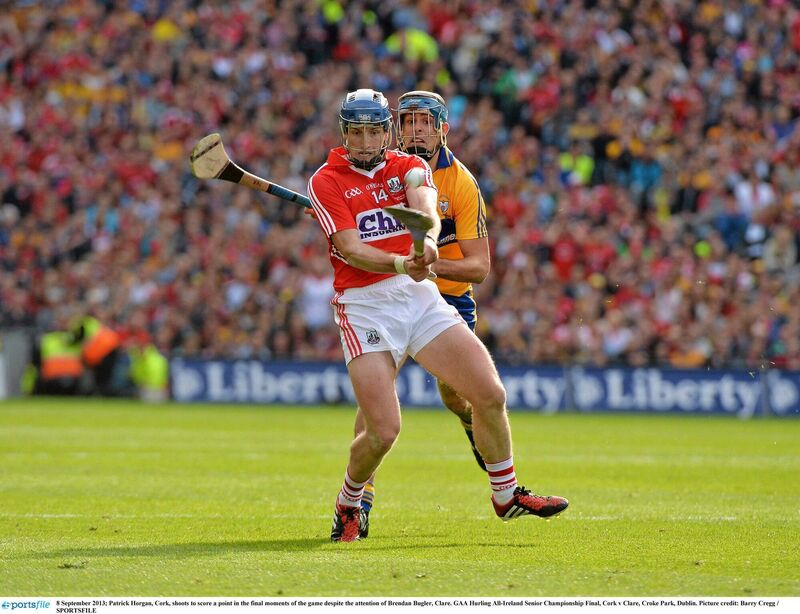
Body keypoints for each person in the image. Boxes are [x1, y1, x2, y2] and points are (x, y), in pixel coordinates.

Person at [307, 88, 568, 543]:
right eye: (356, 132)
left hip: (419, 297)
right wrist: (398, 262)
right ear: (344, 133)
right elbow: (350, 249)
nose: (365, 142)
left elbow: (425, 202)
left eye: (373, 132)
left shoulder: (409, 165)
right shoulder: (326, 180)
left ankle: (505, 495)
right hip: (364, 306)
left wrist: (427, 245)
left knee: (489, 393)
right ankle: (350, 503)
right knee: (383, 430)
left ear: (385, 132)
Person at [357, 90, 492, 521]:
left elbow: (479, 267)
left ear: (442, 130)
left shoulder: (461, 183)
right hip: (392, 294)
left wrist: (431, 268)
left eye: (424, 123)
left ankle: (469, 422)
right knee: (375, 394)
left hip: (447, 298)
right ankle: (360, 500)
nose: (415, 131)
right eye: (408, 123)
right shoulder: (381, 171)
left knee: (456, 396)